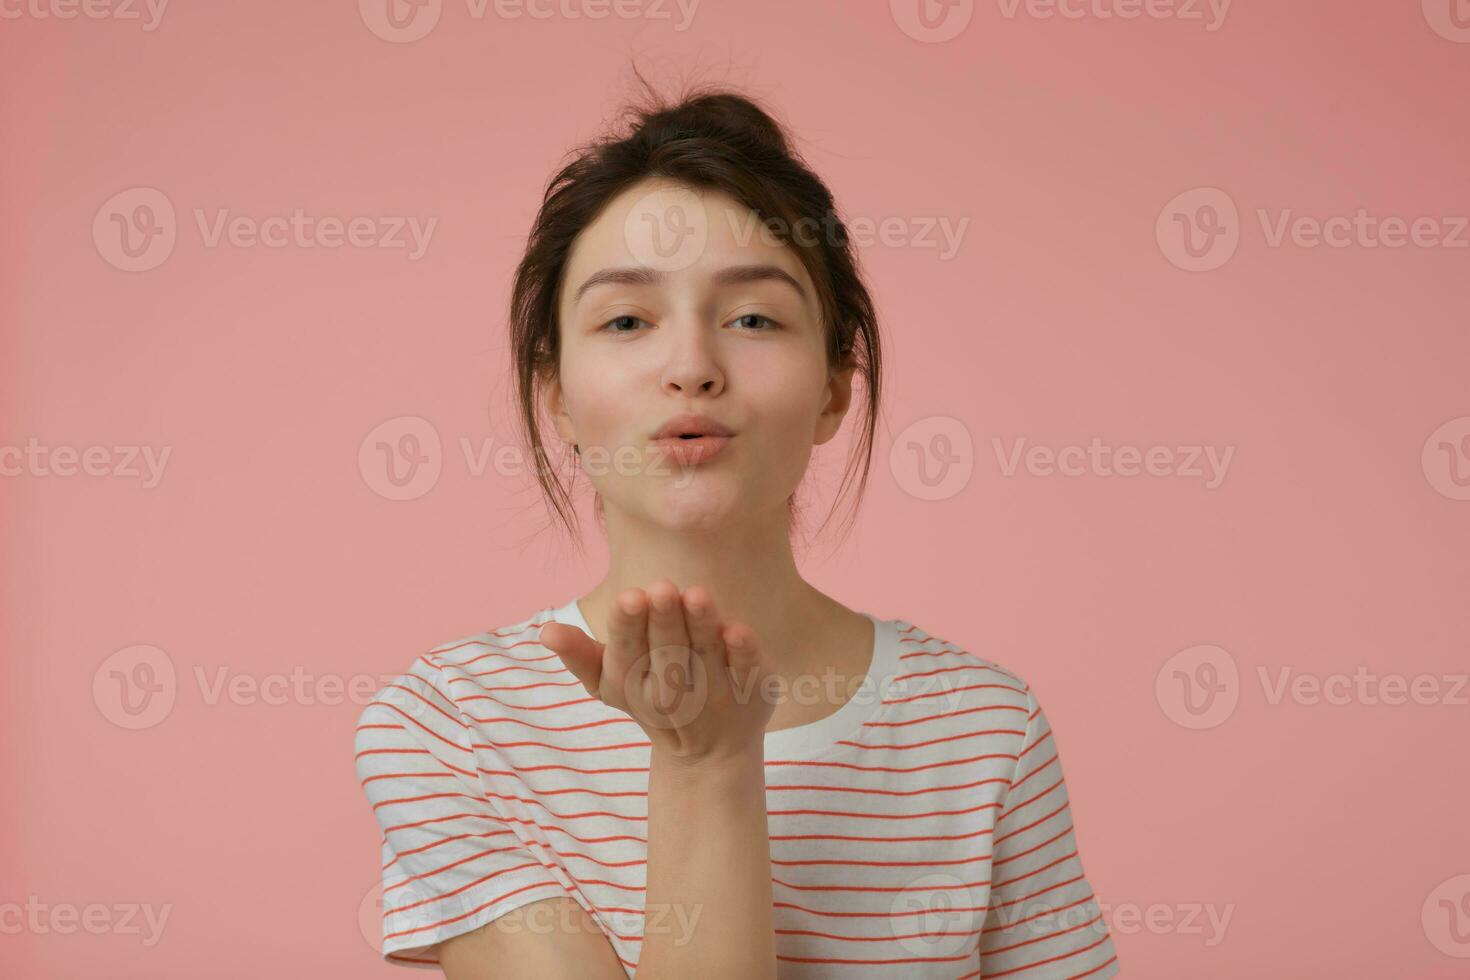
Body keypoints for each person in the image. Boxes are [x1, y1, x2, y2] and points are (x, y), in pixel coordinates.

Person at [353, 76, 1120, 979]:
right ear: (556, 393)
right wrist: (704, 764)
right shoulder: (450, 727)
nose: (691, 367)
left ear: (836, 385)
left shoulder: (983, 728)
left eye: (753, 317)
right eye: (628, 319)